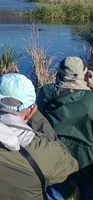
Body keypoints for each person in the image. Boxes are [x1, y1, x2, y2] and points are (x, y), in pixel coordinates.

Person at [36, 56, 93, 200]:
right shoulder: (90, 97)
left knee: (54, 194)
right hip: (87, 157)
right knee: (88, 192)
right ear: (85, 74)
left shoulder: (46, 92)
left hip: (55, 154)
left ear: (58, 74)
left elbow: (37, 118)